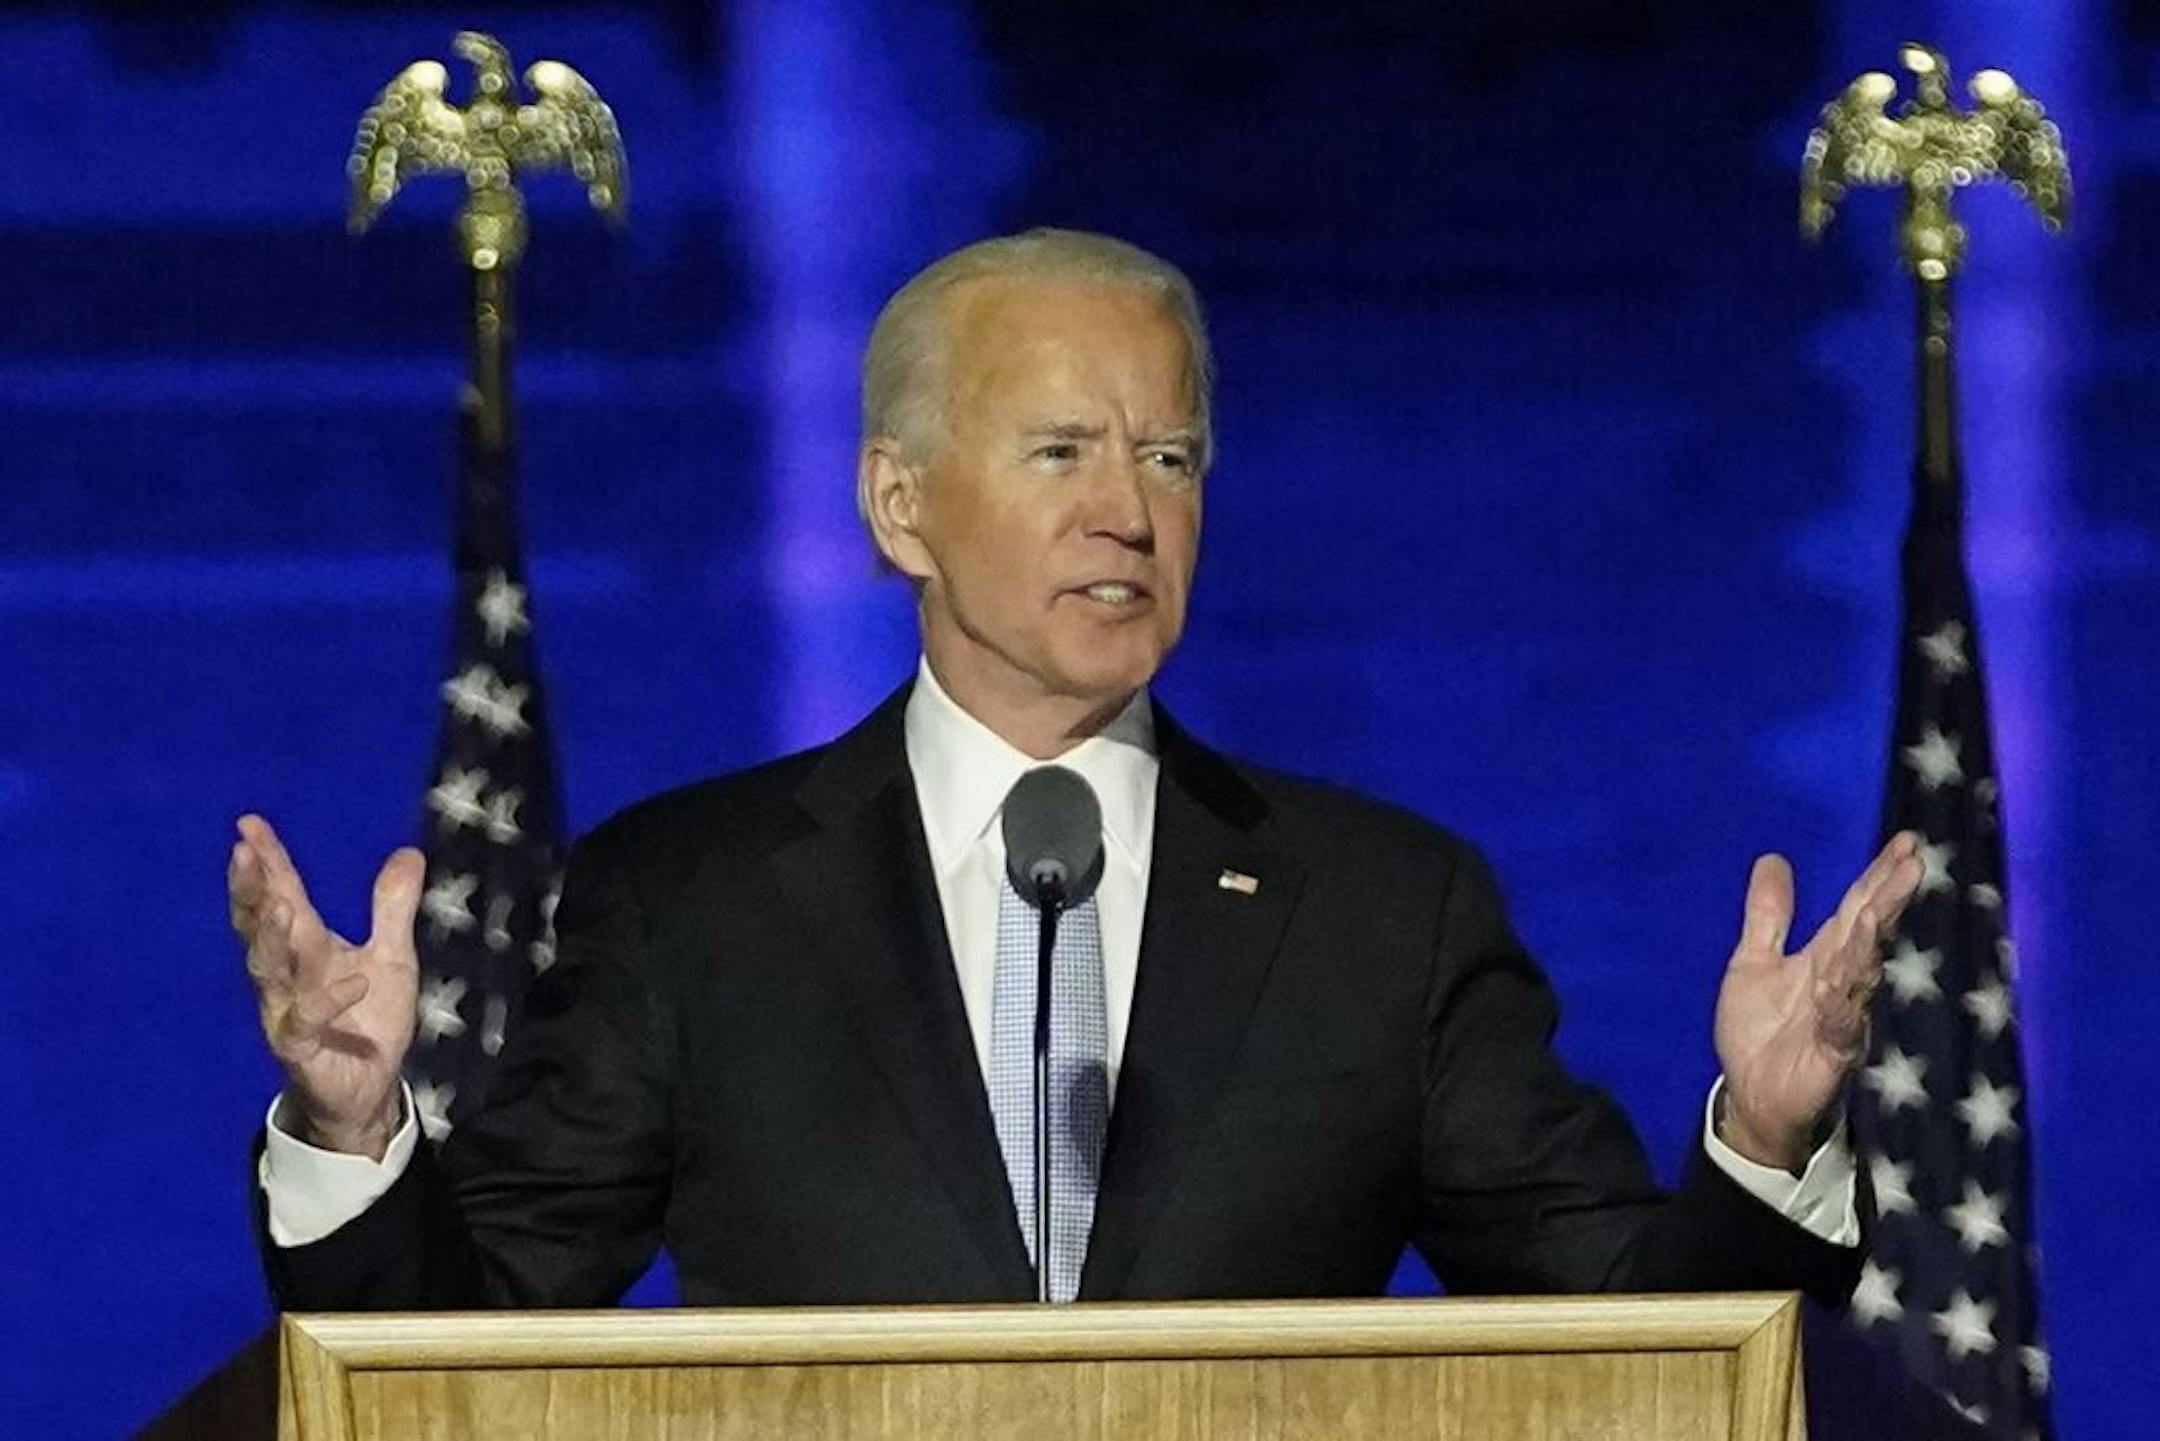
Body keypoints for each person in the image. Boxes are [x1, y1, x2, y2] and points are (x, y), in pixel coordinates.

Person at [235, 228, 1920, 1311]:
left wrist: (1767, 1146)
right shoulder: (688, 903)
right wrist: (354, 1126)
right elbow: (462, 1353)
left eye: (1169, 454)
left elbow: (1635, 1332)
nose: (1129, 506)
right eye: (1060, 450)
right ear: (900, 504)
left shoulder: (1383, 908)